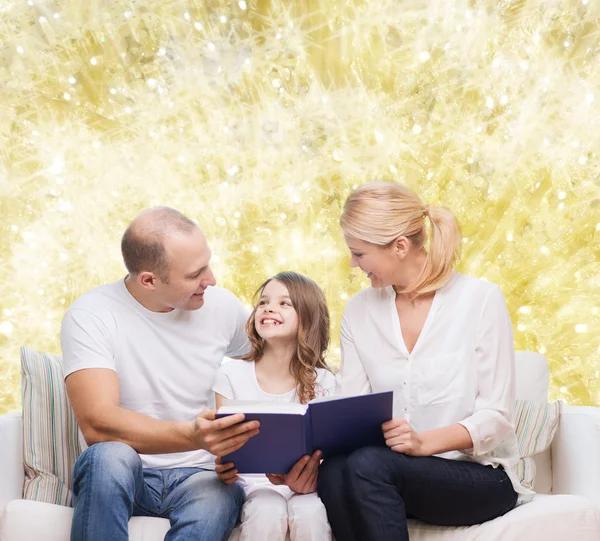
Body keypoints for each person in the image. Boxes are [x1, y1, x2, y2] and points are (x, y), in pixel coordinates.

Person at [317, 182, 533, 541]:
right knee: (334, 470)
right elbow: (352, 408)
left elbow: (496, 418)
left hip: (478, 477)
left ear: (400, 247)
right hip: (390, 474)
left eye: (359, 253)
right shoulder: (359, 311)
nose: (353, 264)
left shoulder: (479, 300)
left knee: (368, 466)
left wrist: (423, 443)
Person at [61, 207, 260, 541]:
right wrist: (193, 435)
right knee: (108, 457)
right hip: (129, 474)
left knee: (218, 494)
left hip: (203, 475)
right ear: (149, 280)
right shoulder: (92, 315)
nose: (211, 280)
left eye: (208, 264)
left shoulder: (222, 307)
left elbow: (273, 366)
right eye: (195, 274)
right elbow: (97, 423)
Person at [213, 272, 335, 541]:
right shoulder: (231, 376)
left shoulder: (325, 381)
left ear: (308, 317)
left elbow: (330, 453)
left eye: (284, 303)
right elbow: (225, 446)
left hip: (306, 488)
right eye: (264, 302)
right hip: (253, 487)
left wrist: (309, 478)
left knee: (310, 511)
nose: (268, 308)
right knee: (266, 509)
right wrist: (222, 465)